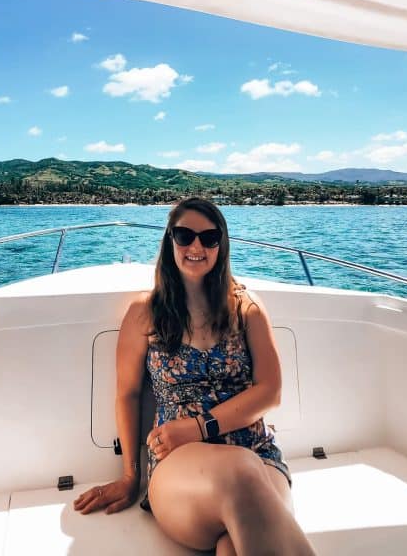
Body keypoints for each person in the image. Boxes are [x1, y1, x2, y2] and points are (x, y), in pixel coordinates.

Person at [73, 197, 316, 555]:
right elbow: (127, 394)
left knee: (233, 546)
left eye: (209, 237)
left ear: (222, 244)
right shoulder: (145, 313)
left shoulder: (245, 308)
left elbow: (270, 392)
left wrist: (200, 426)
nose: (196, 246)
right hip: (178, 462)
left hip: (258, 453)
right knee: (241, 472)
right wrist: (130, 475)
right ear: (170, 241)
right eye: (184, 235)